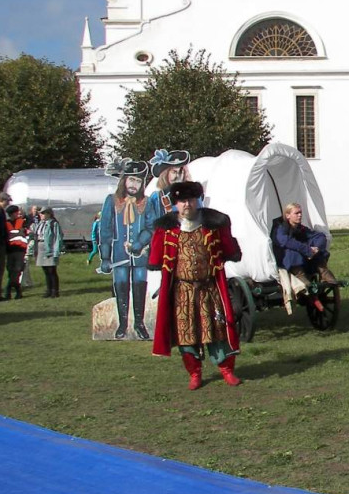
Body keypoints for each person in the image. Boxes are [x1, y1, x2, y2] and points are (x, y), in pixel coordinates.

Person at [149, 181, 243, 390]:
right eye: (182, 201)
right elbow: (157, 258)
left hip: (210, 288)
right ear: (176, 204)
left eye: (190, 200)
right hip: (182, 291)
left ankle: (227, 370)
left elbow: (228, 248)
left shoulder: (213, 223)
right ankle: (195, 373)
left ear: (197, 201)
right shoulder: (166, 228)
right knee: (186, 334)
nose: (187, 205)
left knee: (219, 329)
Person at [99, 160, 151, 340]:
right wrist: (105, 257)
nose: (134, 185)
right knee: (121, 286)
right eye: (131, 180)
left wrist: (139, 243)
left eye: (138, 181)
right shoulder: (111, 201)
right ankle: (122, 324)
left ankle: (139, 323)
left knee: (139, 285)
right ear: (124, 181)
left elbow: (151, 227)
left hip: (140, 256)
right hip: (118, 256)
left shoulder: (146, 202)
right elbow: (105, 230)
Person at [271, 202, 337, 313]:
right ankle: (301, 276)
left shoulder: (300, 228)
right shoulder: (280, 228)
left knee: (319, 251)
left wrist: (316, 248)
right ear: (288, 215)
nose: (300, 215)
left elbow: (319, 236)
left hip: (304, 259)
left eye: (300, 212)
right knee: (292, 252)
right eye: (296, 213)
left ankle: (324, 272)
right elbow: (286, 241)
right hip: (284, 260)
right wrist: (307, 250)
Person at [133, 148, 191, 256]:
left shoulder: (192, 196)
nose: (178, 176)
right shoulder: (156, 197)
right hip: (165, 250)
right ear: (166, 173)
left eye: (181, 171)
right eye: (174, 171)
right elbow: (149, 225)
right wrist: (140, 243)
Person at [36, 207, 64, 298]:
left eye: (43, 213)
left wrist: (56, 250)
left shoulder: (53, 224)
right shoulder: (40, 224)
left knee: (51, 270)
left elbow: (58, 238)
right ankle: (48, 289)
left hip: (50, 248)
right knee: (45, 270)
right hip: (40, 247)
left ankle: (55, 291)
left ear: (49, 214)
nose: (41, 215)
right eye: (40, 213)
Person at [4, 205, 29, 300]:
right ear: (13, 213)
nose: (19, 213)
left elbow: (25, 233)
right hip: (10, 250)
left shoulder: (22, 222)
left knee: (17, 270)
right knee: (11, 271)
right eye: (17, 212)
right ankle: (18, 291)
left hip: (20, 250)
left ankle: (8, 290)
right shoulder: (6, 223)